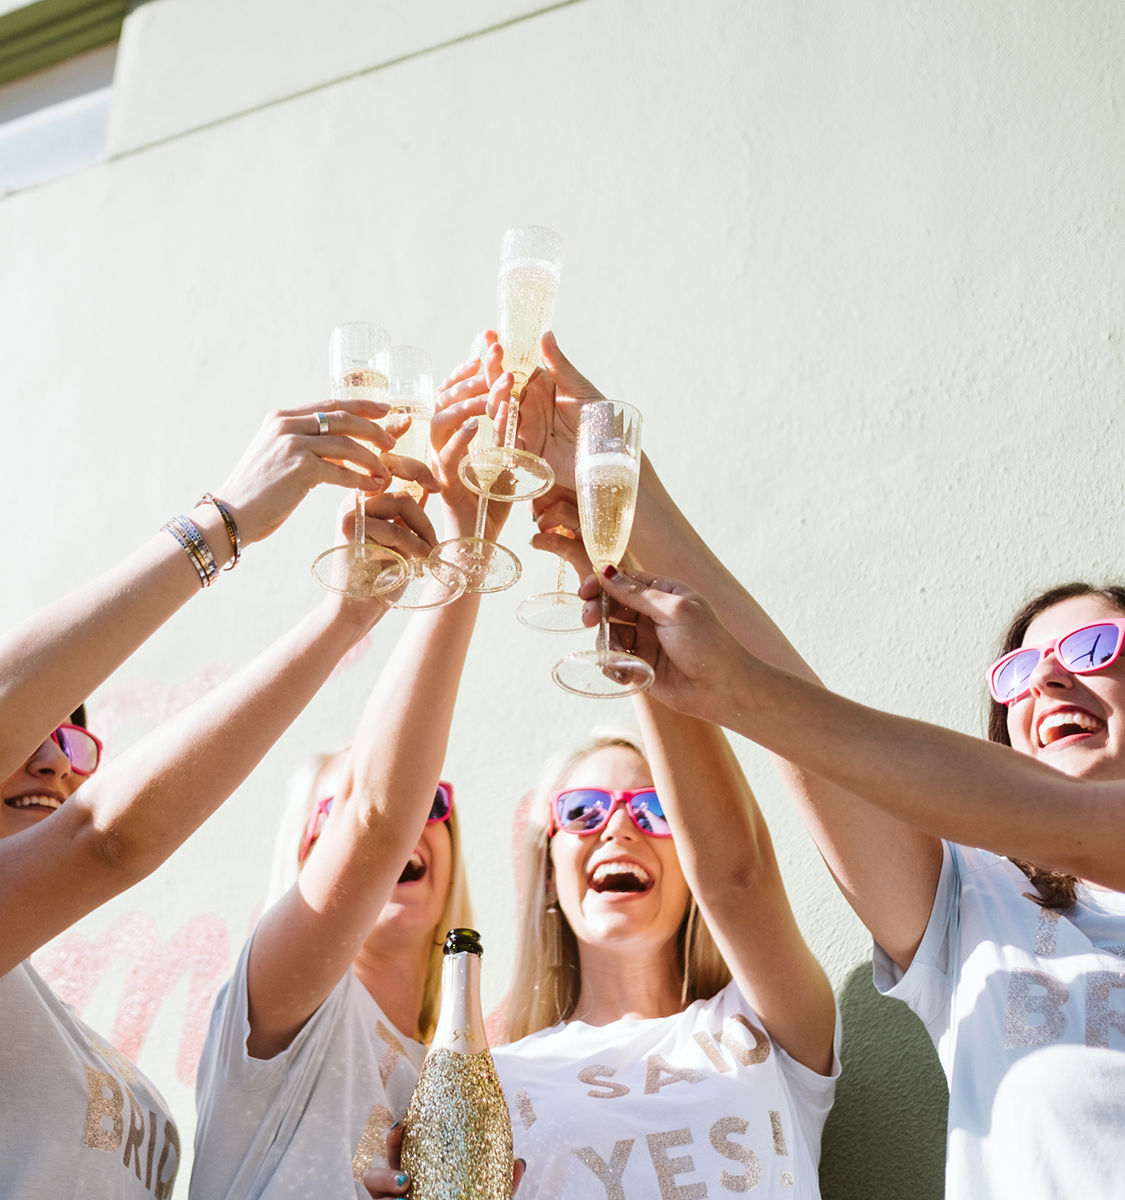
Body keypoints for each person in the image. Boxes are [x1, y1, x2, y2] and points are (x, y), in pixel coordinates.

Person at [0, 396, 437, 1198]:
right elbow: (103, 839)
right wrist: (222, 522)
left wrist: (350, 613)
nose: (51, 763)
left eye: (74, 740)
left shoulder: (61, 1029)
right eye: (32, 727)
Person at [190, 342, 527, 1200]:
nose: (409, 820)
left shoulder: (457, 1072)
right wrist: (469, 550)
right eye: (329, 816)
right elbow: (378, 819)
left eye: (435, 803)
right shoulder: (277, 1006)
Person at [487, 710, 839, 1199]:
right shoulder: (495, 1078)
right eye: (581, 810)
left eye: (655, 810)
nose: (617, 827)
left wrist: (650, 660)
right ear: (548, 871)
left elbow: (742, 877)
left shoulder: (767, 1021)